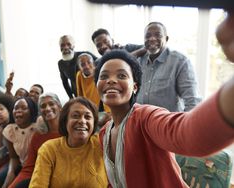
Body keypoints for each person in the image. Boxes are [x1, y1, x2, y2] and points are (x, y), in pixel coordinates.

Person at [94, 48, 234, 188]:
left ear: (135, 87)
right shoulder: (104, 133)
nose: (111, 80)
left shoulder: (146, 118)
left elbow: (186, 134)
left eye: (122, 76)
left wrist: (228, 101)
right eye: (104, 76)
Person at [29, 97, 109, 187]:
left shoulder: (103, 144)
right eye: (75, 116)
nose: (82, 121)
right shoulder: (49, 149)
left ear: (94, 123)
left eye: (87, 117)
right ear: (65, 121)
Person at [136, 22, 201, 112]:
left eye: (158, 35)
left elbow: (193, 101)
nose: (152, 39)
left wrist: (184, 125)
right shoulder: (139, 61)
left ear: (166, 39)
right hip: (141, 123)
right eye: (147, 36)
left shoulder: (180, 61)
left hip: (168, 124)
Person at [8, 93, 62, 188]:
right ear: (40, 111)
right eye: (43, 106)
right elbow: (29, 167)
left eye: (51, 104)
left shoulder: (70, 132)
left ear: (59, 106)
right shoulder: (38, 135)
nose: (47, 108)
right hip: (40, 178)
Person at [0, 97, 38, 188]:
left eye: (24, 108)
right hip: (18, 165)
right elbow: (13, 157)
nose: (18, 111)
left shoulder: (38, 129)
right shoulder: (10, 130)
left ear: (31, 111)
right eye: (16, 108)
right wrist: (10, 174)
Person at [58, 35, 97, 99]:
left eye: (69, 44)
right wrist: (71, 98)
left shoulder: (85, 55)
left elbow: (101, 62)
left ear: (73, 46)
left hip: (93, 92)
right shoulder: (61, 63)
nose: (66, 47)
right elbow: (65, 83)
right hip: (78, 95)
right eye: (62, 45)